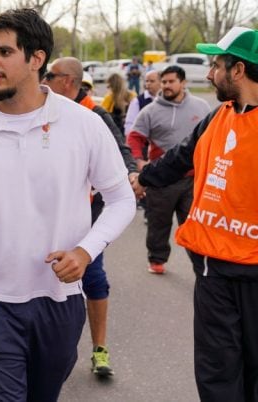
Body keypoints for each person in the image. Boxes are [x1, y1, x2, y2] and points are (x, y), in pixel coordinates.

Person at [0, 9, 136, 401]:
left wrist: (85, 251)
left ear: (36, 58)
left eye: (5, 52)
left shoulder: (84, 124)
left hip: (58, 299)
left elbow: (121, 200)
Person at [133, 26, 258, 402]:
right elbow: (178, 159)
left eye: (216, 65)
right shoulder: (216, 117)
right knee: (217, 372)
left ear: (237, 71)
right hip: (213, 269)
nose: (209, 73)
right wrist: (140, 179)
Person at [45, 56, 139, 377]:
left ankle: (99, 349)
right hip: (50, 212)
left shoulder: (95, 114)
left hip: (90, 212)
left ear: (68, 82)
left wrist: (130, 172)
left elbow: (121, 149)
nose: (43, 80)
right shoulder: (43, 109)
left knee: (92, 275)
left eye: (50, 75)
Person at [127, 65, 210, 274]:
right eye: (164, 82)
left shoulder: (201, 107)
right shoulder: (150, 111)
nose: (166, 86)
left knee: (193, 224)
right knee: (158, 224)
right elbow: (135, 138)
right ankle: (157, 259)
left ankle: (200, 265)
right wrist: (139, 162)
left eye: (171, 81)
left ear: (183, 83)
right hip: (161, 179)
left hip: (193, 179)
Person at [124, 70, 161, 134]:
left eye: (152, 81)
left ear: (160, 82)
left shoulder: (166, 99)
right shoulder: (137, 101)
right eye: (147, 81)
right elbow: (130, 123)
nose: (148, 83)